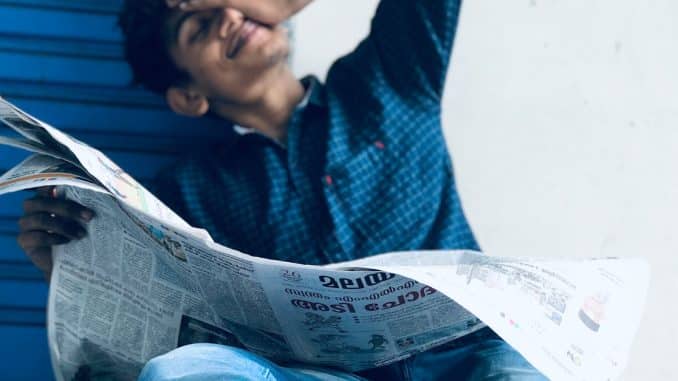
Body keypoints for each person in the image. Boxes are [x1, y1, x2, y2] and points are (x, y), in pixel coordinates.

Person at [17, 0, 547, 379]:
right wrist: (72, 265)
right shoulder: (188, 192)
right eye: (200, 26)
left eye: (232, 1)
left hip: (473, 355)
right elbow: (141, 341)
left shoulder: (390, 77)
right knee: (185, 371)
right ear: (187, 97)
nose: (229, 16)